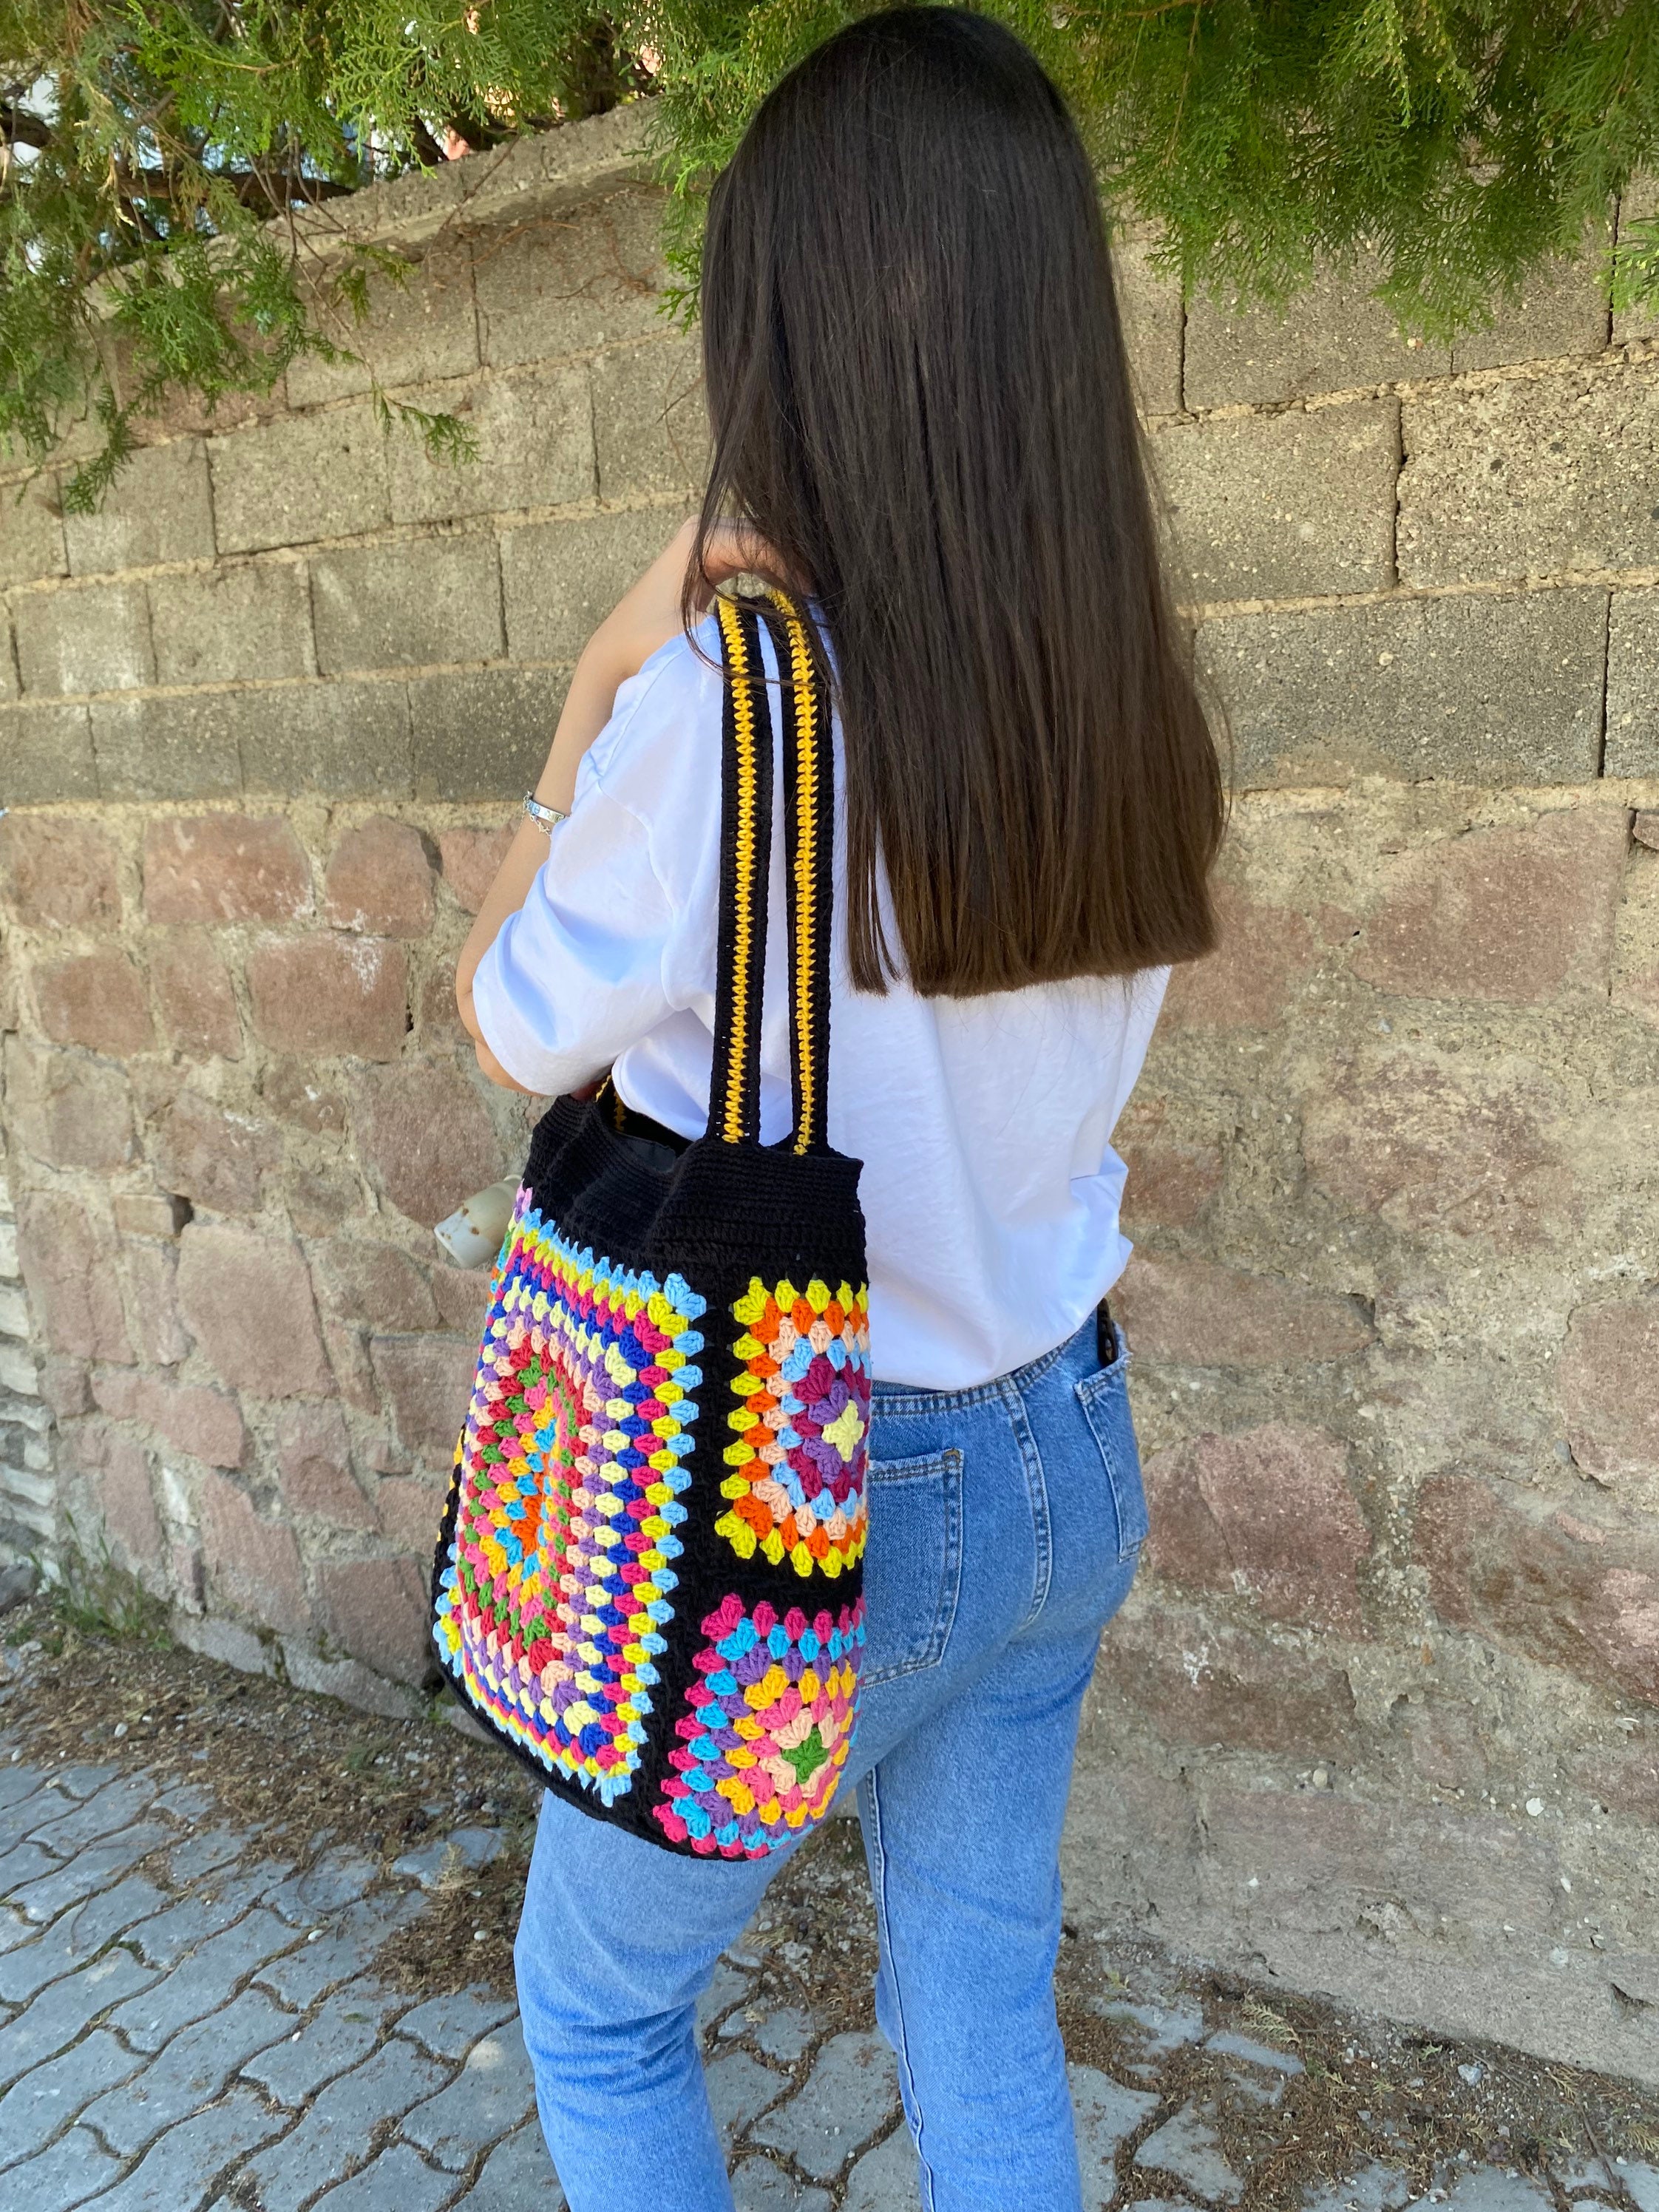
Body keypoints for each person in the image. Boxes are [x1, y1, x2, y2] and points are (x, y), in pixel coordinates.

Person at [455, 11, 1224, 2208]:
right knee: (977, 2000)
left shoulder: (722, 708)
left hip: (812, 1487)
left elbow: (502, 1028)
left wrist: (597, 672)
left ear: (787, 328)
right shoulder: (1113, 683)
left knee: (600, 2011)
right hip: (1065, 1442)